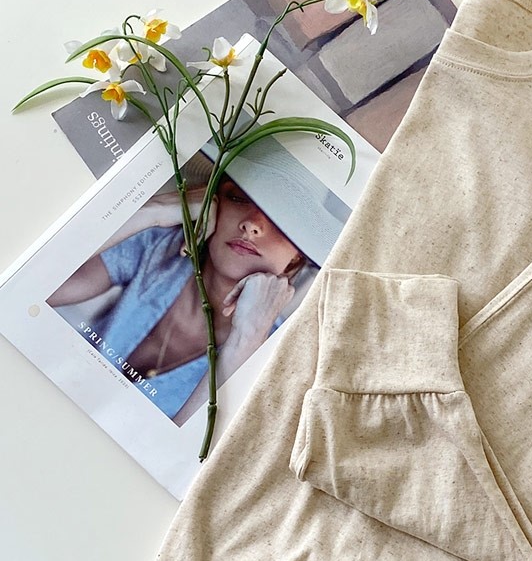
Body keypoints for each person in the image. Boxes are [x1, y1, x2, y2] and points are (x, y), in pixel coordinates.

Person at [48, 136, 350, 424]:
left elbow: (185, 451)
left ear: (296, 259)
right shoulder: (160, 248)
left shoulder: (279, 358)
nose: (252, 225)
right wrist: (153, 211)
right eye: (238, 198)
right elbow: (44, 285)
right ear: (213, 203)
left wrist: (246, 339)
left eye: (284, 221)